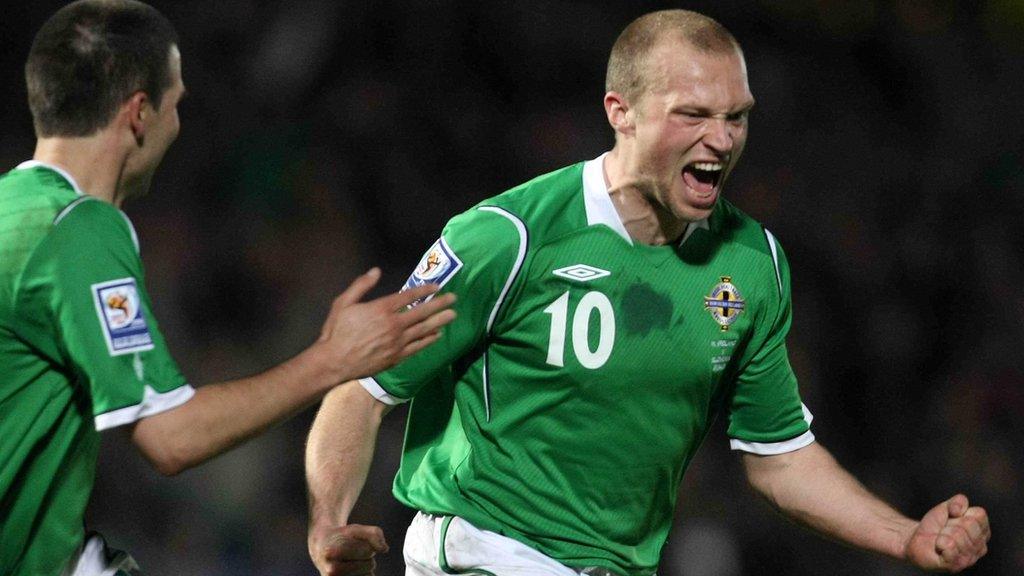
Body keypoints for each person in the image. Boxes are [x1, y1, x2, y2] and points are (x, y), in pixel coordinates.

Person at [305, 9, 990, 576]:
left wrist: (904, 536)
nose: (720, 140)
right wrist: (326, 523)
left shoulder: (753, 264)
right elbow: (363, 390)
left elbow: (779, 458)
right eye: (693, 114)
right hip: (486, 554)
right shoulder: (508, 237)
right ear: (620, 111)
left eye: (737, 117)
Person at [0, 1, 457, 574]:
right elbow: (171, 439)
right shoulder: (77, 228)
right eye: (177, 103)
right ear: (139, 113)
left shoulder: (13, 213)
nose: (179, 124)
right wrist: (332, 359)